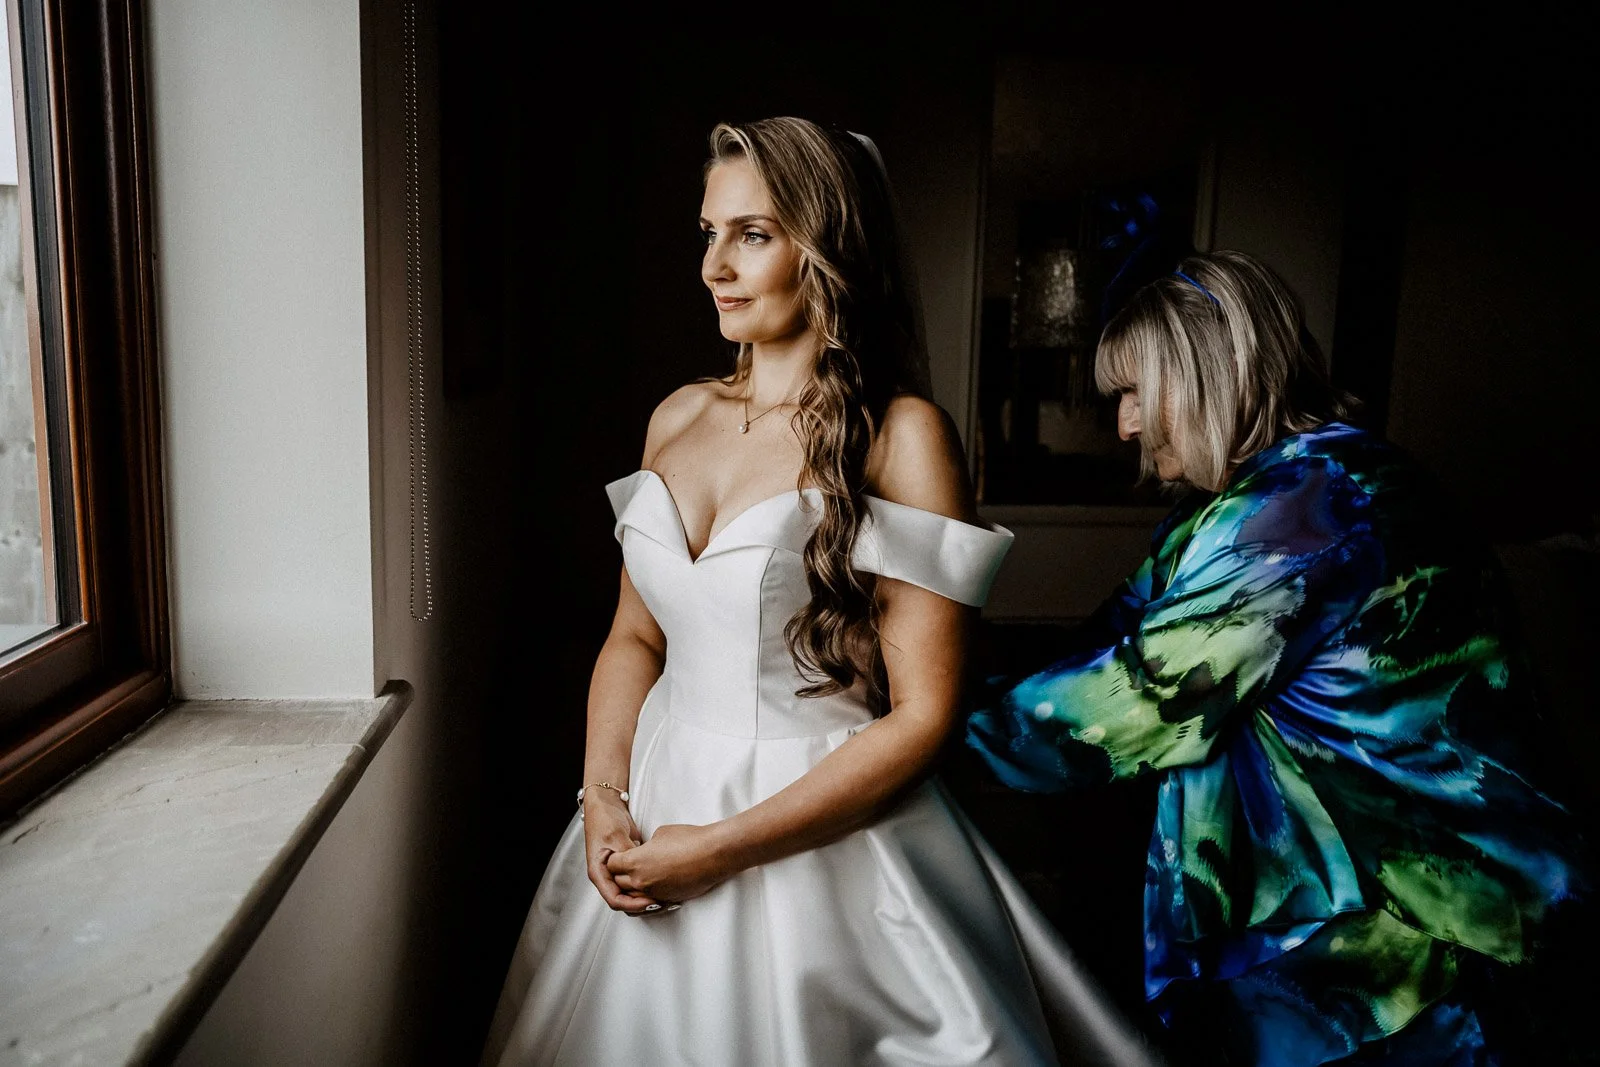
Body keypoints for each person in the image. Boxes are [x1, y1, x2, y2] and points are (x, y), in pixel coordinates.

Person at [478, 117, 1162, 1066]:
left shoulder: (902, 436)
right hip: (653, 801)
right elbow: (634, 638)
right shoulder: (676, 415)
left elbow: (925, 715)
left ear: (828, 248)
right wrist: (603, 796)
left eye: (753, 235)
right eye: (709, 232)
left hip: (815, 828)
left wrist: (721, 848)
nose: (715, 266)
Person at [966, 250, 1589, 1066]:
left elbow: (1133, 706)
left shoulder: (1317, 501)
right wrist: (939, 666)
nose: (1125, 426)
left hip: (1429, 949)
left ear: (1211, 374)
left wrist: (918, 726)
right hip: (1357, 933)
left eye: (1135, 392)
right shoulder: (1225, 510)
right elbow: (1102, 639)